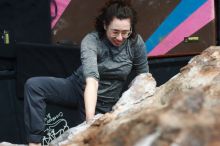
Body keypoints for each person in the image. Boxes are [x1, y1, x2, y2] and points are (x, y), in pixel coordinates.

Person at [24, 0, 149, 145]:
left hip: (107, 103)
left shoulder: (135, 43)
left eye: (125, 32)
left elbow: (144, 78)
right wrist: (90, 123)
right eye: (115, 32)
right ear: (105, 25)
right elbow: (92, 81)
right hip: (78, 87)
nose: (120, 37)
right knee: (34, 86)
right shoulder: (91, 41)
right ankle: (34, 142)